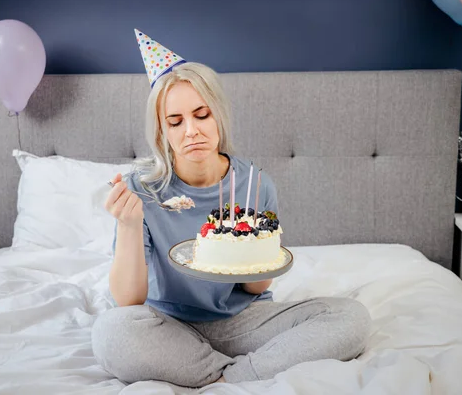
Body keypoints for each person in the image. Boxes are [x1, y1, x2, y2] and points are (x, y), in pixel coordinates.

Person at [91, 29, 371, 388]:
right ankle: (225, 370)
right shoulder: (141, 190)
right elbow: (129, 300)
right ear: (162, 133)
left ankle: (228, 376)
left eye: (202, 115)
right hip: (168, 325)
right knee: (111, 332)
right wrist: (129, 225)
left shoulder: (255, 184)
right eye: (175, 122)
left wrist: (247, 238)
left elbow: (256, 288)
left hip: (244, 321)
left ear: (219, 117)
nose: (191, 131)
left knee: (350, 317)